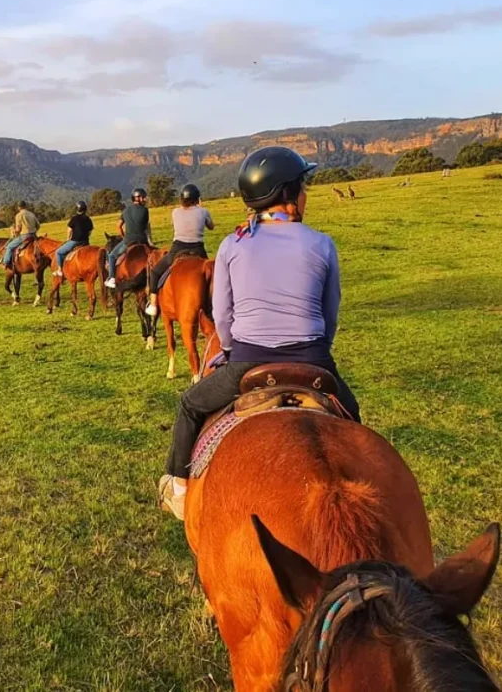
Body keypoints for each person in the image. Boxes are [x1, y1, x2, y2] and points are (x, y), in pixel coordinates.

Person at [158, 146, 362, 520]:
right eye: (303, 186)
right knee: (352, 412)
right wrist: (318, 349)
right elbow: (330, 314)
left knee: (190, 405)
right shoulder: (322, 243)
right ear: (288, 194)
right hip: (314, 359)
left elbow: (222, 315)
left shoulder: (233, 244)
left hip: (248, 360)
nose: (306, 194)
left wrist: (234, 350)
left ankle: (181, 490)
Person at [144, 183, 214, 316]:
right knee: (212, 274)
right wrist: (202, 209)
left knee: (155, 272)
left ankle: (153, 304)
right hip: (198, 250)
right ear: (197, 199)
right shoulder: (203, 212)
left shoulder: (175, 212)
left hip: (178, 249)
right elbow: (211, 226)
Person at [104, 188, 151, 288]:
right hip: (142, 240)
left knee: (112, 256)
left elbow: (118, 226)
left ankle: (111, 278)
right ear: (137, 198)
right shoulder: (145, 210)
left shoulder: (125, 211)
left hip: (128, 241)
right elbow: (145, 227)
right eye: (143, 197)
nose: (144, 199)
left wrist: (124, 237)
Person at [53, 201, 93, 277]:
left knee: (58, 252)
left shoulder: (74, 219)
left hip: (75, 241)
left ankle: (59, 270)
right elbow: (90, 231)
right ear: (85, 209)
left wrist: (68, 239)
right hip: (85, 242)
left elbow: (69, 230)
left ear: (77, 209)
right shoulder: (88, 219)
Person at [1, 201, 40, 269]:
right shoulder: (31, 214)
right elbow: (38, 225)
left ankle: (5, 263)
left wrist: (14, 230)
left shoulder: (18, 215)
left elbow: (18, 229)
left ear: (19, 207)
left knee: (9, 246)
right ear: (26, 206)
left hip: (24, 236)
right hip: (34, 235)